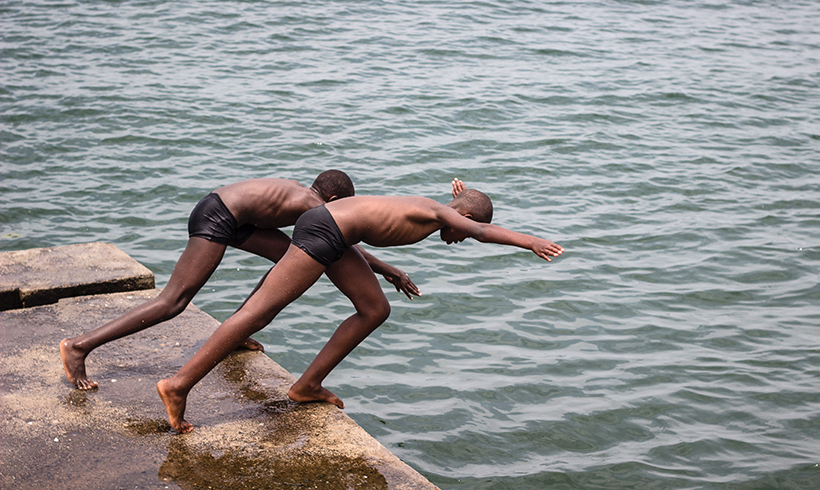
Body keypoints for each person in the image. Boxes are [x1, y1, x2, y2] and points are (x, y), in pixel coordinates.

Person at [157, 181, 564, 433]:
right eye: (465, 234)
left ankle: (306, 386)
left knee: (374, 309)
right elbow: (480, 227)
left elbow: (466, 214)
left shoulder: (441, 210)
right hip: (323, 230)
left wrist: (459, 197)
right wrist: (530, 242)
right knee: (259, 312)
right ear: (466, 217)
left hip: (332, 228)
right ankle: (178, 384)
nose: (463, 240)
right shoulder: (447, 215)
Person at [60, 170, 419, 390]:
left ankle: (239, 330)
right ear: (336, 199)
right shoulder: (312, 204)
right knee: (174, 301)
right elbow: (341, 240)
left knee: (289, 261)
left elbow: (325, 247)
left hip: (233, 217)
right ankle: (79, 347)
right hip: (217, 217)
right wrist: (387, 268)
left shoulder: (302, 195)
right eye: (342, 208)